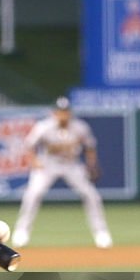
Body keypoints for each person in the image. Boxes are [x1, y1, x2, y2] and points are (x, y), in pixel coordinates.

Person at [12, 97, 112, 249]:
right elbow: (29, 145)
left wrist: (91, 164)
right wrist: (34, 162)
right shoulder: (43, 127)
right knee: (32, 194)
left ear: (70, 113)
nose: (63, 114)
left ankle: (101, 233)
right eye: (60, 112)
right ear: (54, 113)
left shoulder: (80, 127)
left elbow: (90, 146)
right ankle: (21, 232)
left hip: (71, 165)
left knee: (91, 195)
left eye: (66, 111)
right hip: (48, 165)